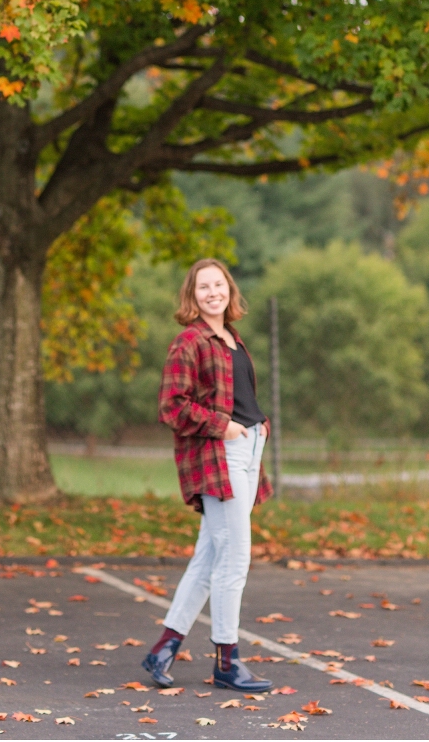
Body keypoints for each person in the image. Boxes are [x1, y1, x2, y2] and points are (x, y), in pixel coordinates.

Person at [141, 258, 273, 693]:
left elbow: (241, 397)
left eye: (219, 285)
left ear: (230, 291)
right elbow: (171, 406)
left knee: (210, 559)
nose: (213, 292)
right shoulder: (189, 342)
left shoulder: (233, 339)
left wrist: (258, 426)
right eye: (203, 287)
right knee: (234, 558)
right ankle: (227, 662)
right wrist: (226, 427)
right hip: (220, 455)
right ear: (192, 296)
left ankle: (163, 648)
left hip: (247, 448)